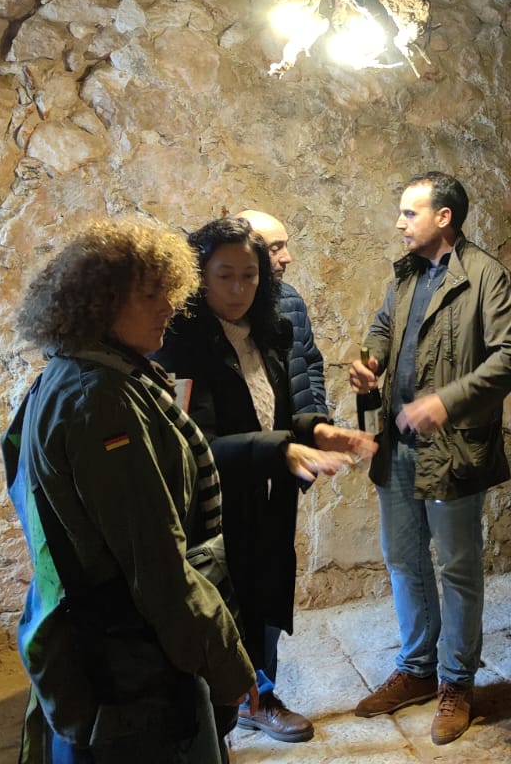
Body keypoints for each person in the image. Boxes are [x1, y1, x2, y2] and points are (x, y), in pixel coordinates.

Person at [2, 218, 256, 764]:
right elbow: (156, 566)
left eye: (168, 290)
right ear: (100, 304)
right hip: (130, 665)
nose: (169, 306)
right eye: (149, 295)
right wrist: (229, 665)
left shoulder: (76, 374)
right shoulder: (101, 401)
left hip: (106, 642)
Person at [154, 217, 375, 745]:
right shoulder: (179, 343)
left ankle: (259, 696)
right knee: (224, 606)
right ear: (199, 276)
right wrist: (281, 448)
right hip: (213, 505)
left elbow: (270, 413)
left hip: (264, 493)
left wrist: (316, 430)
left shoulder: (267, 330)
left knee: (264, 596)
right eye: (224, 276)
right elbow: (194, 442)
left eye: (249, 276)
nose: (238, 289)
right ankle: (226, 710)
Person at [349, 171, 511, 745]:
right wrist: (371, 362)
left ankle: (456, 682)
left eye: (410, 212)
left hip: (453, 447)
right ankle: (416, 669)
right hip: (398, 442)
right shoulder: (406, 274)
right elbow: (384, 327)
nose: (400, 223)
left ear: (444, 217)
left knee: (456, 568)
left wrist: (446, 402)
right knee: (403, 560)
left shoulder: (485, 276)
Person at [236, 209, 328, 417]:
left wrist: (315, 416)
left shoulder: (290, 300)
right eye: (275, 249)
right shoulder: (225, 309)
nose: (287, 258)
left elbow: (311, 363)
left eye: (286, 246)